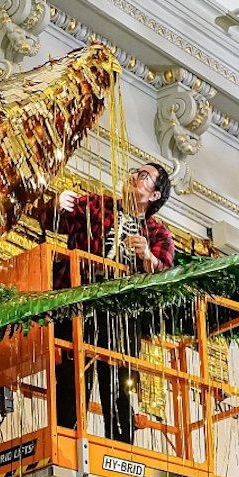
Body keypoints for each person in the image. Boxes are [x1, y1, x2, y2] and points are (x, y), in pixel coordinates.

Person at [52, 163, 174, 443]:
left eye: (143, 176)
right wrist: (58, 204)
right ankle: (66, 444)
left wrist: (148, 258)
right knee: (72, 381)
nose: (134, 177)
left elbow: (165, 275)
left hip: (122, 316)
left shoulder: (157, 234)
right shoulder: (96, 206)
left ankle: (121, 450)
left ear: (155, 195)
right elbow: (53, 219)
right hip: (79, 305)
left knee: (120, 386)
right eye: (134, 171)